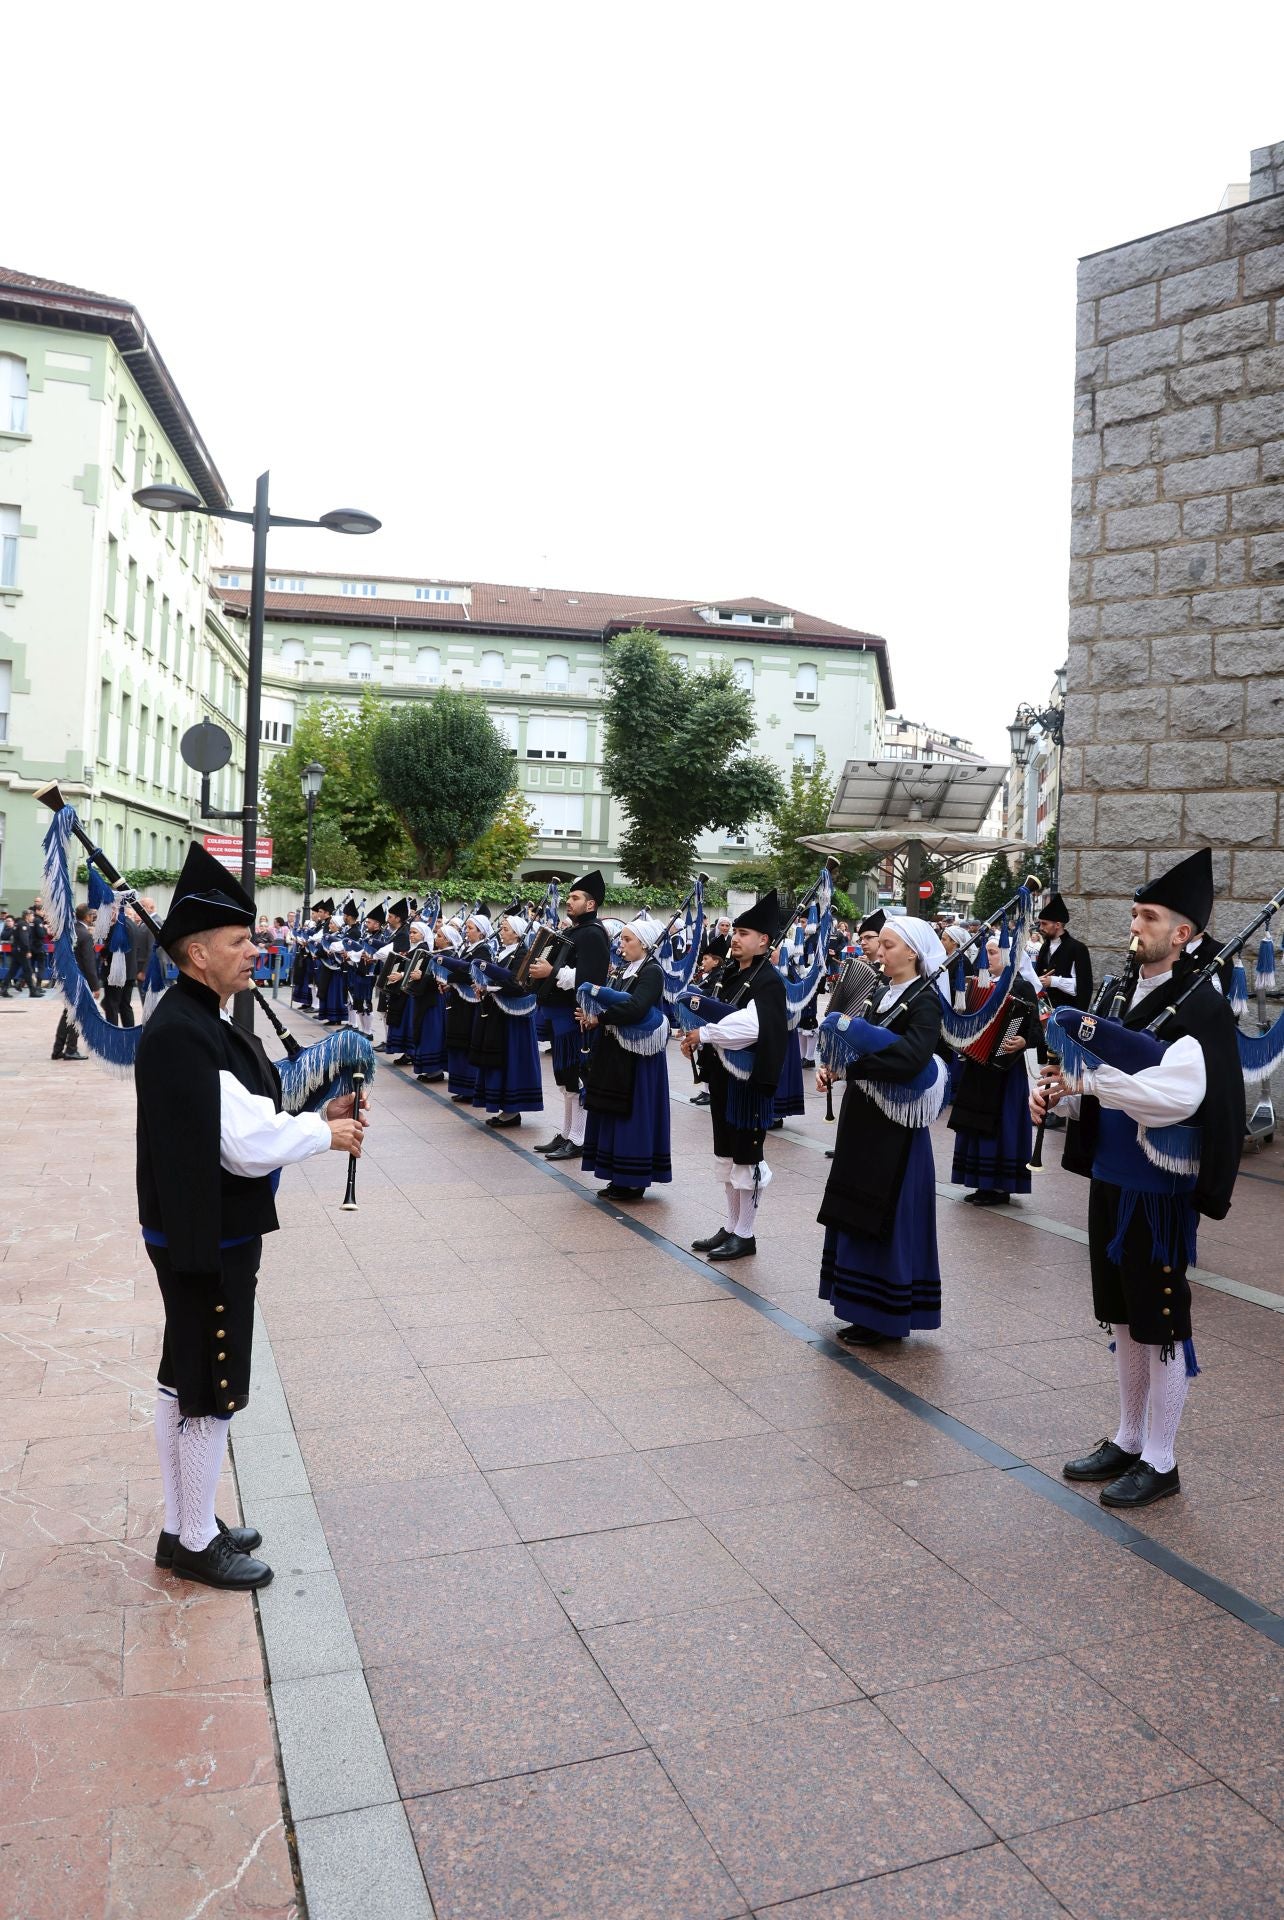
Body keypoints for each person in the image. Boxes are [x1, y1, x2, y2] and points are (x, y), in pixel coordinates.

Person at [135, 842, 366, 1590]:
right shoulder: (186, 1026)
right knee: (212, 1380)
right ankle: (198, 1541)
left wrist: (312, 1109)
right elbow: (244, 1142)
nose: (254, 951)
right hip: (209, 1230)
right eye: (239, 942)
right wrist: (323, 1135)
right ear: (198, 953)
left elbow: (252, 1104)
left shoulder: (197, 1015)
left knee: (185, 1373)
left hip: (195, 1224)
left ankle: (183, 1524)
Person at [1034, 849, 1245, 1509]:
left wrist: (1087, 1080)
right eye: (1134, 912)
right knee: (1122, 1318)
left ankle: (1162, 1457)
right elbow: (1097, 1075)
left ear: (1183, 933)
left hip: (1159, 1189)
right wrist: (1060, 1097)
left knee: (1160, 1322)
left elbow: (1176, 1095)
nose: (1137, 924)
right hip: (1112, 1174)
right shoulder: (1118, 991)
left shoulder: (1200, 1004)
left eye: (1149, 916)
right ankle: (1128, 1436)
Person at [815, 916, 947, 1346]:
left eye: (888, 945)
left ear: (912, 952)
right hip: (863, 1118)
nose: (878, 951)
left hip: (896, 1130)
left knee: (885, 1212)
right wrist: (835, 1066)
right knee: (855, 1206)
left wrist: (855, 1063)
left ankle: (883, 1315)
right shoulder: (877, 993)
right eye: (880, 945)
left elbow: (911, 1059)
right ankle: (856, 1305)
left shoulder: (925, 1001)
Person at [679, 891, 788, 1260]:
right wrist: (695, 1034)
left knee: (747, 1157)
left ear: (764, 941)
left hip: (749, 1083)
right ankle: (730, 1225)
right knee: (725, 1154)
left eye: (744, 933)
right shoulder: (729, 973)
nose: (736, 938)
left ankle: (746, 1233)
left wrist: (705, 1033)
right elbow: (715, 1012)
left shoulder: (768, 980)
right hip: (724, 1077)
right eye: (735, 931)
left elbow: (752, 1026)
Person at [578, 914, 672, 1201]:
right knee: (612, 1111)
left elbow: (638, 1008)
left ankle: (633, 1179)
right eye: (622, 939)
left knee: (632, 1113)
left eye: (628, 939)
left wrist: (599, 1018)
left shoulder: (651, 971)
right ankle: (616, 1174)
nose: (622, 944)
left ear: (644, 944)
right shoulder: (625, 969)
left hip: (637, 1056)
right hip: (615, 1049)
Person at [947, 936, 1043, 1207]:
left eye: (993, 952)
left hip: (1005, 1069)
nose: (987, 957)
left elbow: (1035, 1029)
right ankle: (979, 1182)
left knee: (1003, 1124)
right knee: (974, 1122)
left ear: (1007, 955)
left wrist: (1023, 1040)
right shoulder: (977, 984)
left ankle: (1000, 1187)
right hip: (977, 1067)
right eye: (986, 952)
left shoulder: (1022, 987)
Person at [530, 870, 612, 1161]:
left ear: (590, 905)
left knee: (575, 1076)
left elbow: (592, 978)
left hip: (572, 1014)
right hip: (557, 1012)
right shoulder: (573, 931)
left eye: (575, 898)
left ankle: (579, 1138)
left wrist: (551, 972)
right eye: (569, 897)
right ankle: (566, 1133)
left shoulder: (593, 933)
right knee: (564, 1077)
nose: (569, 901)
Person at [471, 910, 545, 1128]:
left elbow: (518, 985)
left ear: (517, 934)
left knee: (511, 1060)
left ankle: (512, 1110)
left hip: (515, 1018)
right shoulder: (505, 952)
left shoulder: (523, 954)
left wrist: (488, 986)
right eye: (501, 928)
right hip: (500, 1014)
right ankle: (503, 1106)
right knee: (499, 1060)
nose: (500, 932)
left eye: (505, 929)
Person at [51, 904, 101, 1060]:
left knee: (67, 1014)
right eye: (92, 915)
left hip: (68, 978)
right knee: (77, 1015)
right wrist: (95, 985)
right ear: (86, 917)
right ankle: (71, 1049)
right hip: (80, 980)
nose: (93, 918)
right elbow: (88, 962)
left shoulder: (70, 931)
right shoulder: (85, 935)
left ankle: (57, 1049)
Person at [9, 909, 43, 996]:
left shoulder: (19, 923)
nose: (33, 917)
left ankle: (5, 988)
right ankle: (32, 991)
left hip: (17, 950)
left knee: (13, 971)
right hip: (22, 951)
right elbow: (24, 940)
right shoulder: (23, 925)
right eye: (31, 916)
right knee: (28, 970)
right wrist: (27, 950)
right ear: (27, 916)